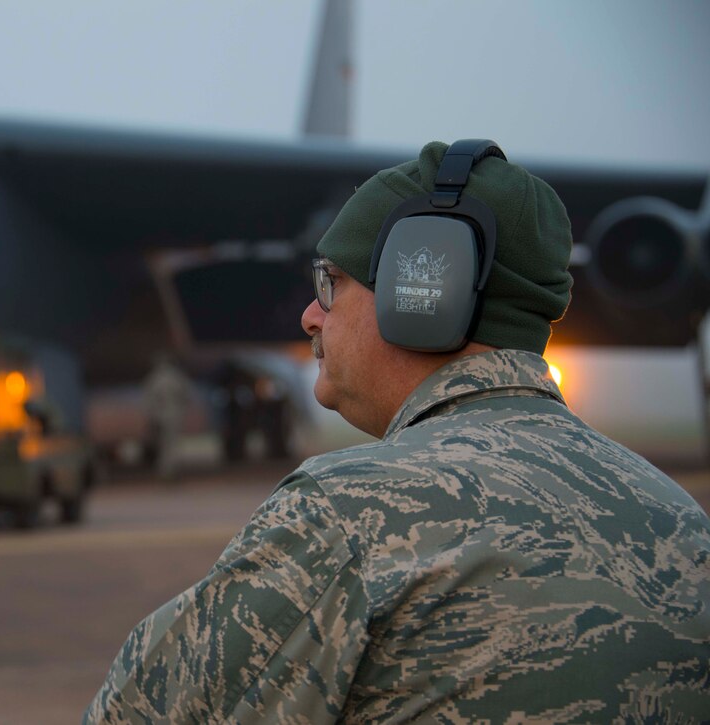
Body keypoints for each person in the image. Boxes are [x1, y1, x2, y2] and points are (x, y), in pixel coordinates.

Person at [84, 141, 710, 722]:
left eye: (330, 284)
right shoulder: (682, 521)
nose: (308, 317)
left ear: (422, 294)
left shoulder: (349, 513)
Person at [143, 355, 191, 479]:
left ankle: (165, 470)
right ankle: (170, 470)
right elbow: (185, 396)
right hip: (174, 414)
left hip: (160, 415)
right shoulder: (176, 378)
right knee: (171, 444)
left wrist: (151, 416)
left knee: (163, 444)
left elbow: (149, 400)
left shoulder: (154, 379)